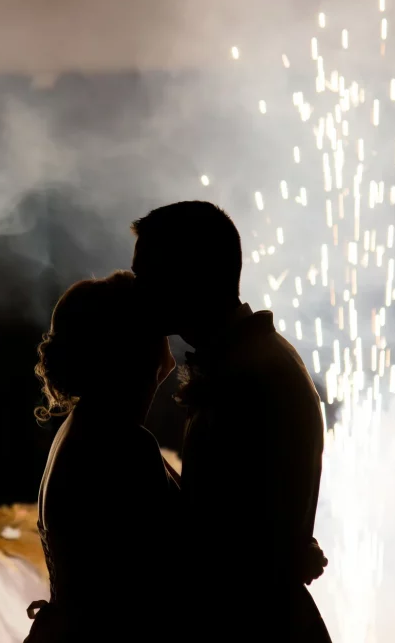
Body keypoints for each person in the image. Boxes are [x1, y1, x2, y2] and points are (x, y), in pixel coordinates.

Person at [131, 200, 332, 642]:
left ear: (189, 273)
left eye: (146, 274)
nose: (137, 290)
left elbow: (230, 546)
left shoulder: (251, 375)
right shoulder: (249, 360)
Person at [25, 271, 184, 642]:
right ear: (134, 346)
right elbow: (181, 565)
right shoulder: (122, 444)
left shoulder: (86, 426)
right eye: (156, 325)